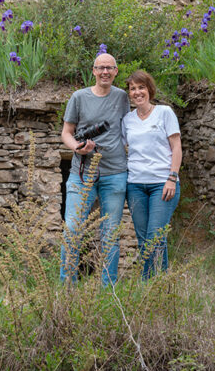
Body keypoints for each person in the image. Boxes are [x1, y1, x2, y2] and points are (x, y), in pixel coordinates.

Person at [60, 53, 130, 286]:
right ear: (93, 71)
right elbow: (66, 133)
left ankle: (108, 290)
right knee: (72, 229)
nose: (105, 72)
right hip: (81, 173)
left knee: (110, 234)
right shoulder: (79, 97)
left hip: (115, 173)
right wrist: (77, 148)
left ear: (116, 71)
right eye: (100, 68)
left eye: (109, 68)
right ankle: (67, 288)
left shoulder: (122, 97)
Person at [121, 70, 182, 279]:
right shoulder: (127, 120)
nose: (137, 92)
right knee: (143, 240)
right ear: (129, 93)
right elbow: (120, 147)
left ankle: (157, 285)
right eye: (133, 89)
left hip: (162, 184)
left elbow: (176, 147)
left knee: (155, 237)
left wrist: (172, 178)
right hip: (135, 185)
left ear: (150, 90)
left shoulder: (164, 113)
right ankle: (148, 286)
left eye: (141, 87)